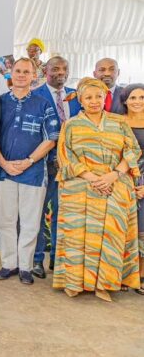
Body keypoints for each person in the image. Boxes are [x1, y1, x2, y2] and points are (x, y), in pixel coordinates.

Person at [53, 77, 141, 301]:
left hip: (115, 184)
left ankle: (105, 284)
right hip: (80, 185)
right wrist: (92, 178)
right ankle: (74, 282)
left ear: (105, 98)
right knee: (76, 234)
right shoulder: (71, 125)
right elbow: (65, 156)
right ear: (80, 100)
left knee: (111, 234)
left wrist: (113, 175)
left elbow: (132, 151)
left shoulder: (119, 122)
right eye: (88, 97)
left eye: (98, 97)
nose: (94, 101)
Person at [0, 58, 60, 285]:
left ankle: (25, 267)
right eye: (18, 71)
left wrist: (29, 161)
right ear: (11, 73)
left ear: (34, 76)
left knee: (30, 223)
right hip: (3, 172)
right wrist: (3, 163)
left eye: (26, 72)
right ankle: (8, 264)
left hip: (34, 173)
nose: (21, 75)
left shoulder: (43, 104)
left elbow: (51, 139)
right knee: (5, 221)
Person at [31, 56, 81, 278]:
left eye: (64, 69)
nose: (61, 72)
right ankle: (37, 260)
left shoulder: (77, 96)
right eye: (56, 68)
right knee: (39, 212)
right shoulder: (35, 95)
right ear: (46, 71)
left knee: (63, 213)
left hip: (70, 166)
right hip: (44, 163)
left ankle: (58, 259)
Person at [121, 83, 144, 295]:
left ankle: (142, 276)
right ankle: (124, 275)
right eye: (133, 98)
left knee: (143, 231)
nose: (137, 102)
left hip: (143, 182)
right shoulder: (118, 122)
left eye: (142, 97)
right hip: (123, 179)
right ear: (125, 101)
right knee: (124, 229)